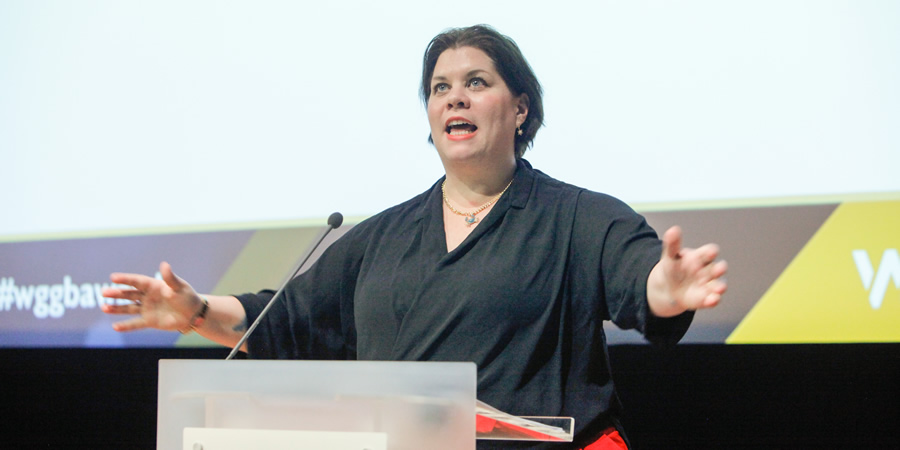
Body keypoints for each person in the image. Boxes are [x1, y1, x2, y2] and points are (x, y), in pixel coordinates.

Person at [101, 24, 727, 449]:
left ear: (521, 109)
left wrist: (668, 284)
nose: (455, 97)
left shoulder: (578, 217)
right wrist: (194, 310)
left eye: (476, 83)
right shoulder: (382, 237)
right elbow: (281, 323)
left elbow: (640, 282)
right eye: (440, 88)